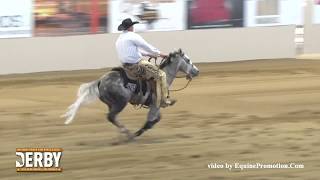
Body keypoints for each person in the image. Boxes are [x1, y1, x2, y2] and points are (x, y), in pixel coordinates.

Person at [115, 18, 175, 107]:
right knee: (162, 74)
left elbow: (134, 50)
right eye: (132, 26)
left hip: (124, 66)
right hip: (137, 64)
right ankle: (164, 100)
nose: (133, 27)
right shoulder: (133, 36)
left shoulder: (119, 39)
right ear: (130, 27)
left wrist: (149, 55)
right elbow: (147, 47)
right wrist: (160, 54)